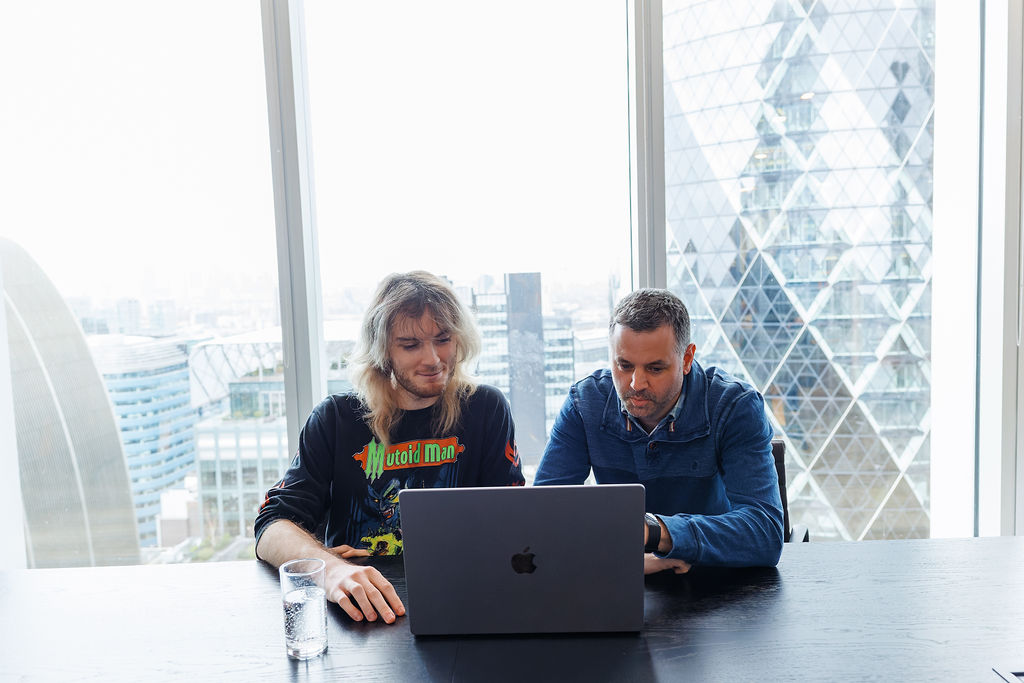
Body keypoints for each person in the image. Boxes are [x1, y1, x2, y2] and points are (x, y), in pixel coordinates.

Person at [255, 271, 525, 624]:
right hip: (361, 610)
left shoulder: (485, 408)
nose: (432, 359)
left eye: (443, 339)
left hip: (461, 598)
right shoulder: (336, 418)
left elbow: (514, 522)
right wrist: (331, 569)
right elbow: (271, 525)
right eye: (410, 345)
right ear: (382, 350)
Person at [535, 288, 783, 574]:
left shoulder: (734, 406)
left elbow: (765, 531)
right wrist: (631, 560)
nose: (636, 383)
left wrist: (655, 532)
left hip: (714, 579)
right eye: (624, 365)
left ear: (687, 359)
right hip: (616, 576)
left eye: (655, 369)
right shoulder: (584, 403)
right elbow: (544, 517)